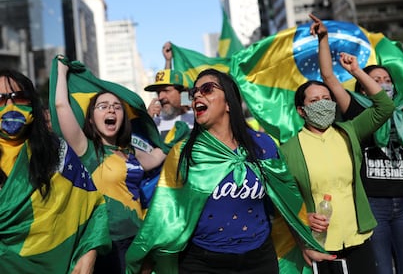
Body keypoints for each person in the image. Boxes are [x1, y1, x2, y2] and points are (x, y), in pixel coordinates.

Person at [125, 68, 335, 274]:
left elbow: (283, 202)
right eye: (194, 92)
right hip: (201, 263)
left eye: (207, 89)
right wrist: (147, 261)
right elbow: (165, 214)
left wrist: (304, 241)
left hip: (259, 260)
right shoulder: (183, 153)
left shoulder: (263, 146)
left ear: (228, 102)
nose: (197, 94)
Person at [280, 32, 395, 273]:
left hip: (359, 237)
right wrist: (303, 231)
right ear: (301, 111)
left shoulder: (349, 131)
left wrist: (357, 71)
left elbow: (385, 106)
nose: (323, 103)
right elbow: (286, 201)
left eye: (326, 98)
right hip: (321, 245)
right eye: (314, 101)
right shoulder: (289, 149)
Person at [311, 13, 403, 274]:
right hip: (372, 204)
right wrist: (324, 39)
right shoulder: (358, 109)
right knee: (381, 270)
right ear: (364, 88)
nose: (383, 84)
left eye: (387, 80)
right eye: (376, 81)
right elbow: (329, 77)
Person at [54, 58, 166, 274]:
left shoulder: (129, 152)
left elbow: (156, 157)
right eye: (103, 107)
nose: (111, 111)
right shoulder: (85, 149)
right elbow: (61, 106)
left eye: (117, 107)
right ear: (92, 118)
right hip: (105, 244)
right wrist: (61, 68)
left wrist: (172, 140)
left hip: (139, 238)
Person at [0, 69, 110, 273]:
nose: (10, 106)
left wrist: (89, 254)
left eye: (19, 97)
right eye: (0, 99)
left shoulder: (58, 153)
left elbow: (93, 206)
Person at [145, 42, 194, 140]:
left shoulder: (197, 119)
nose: (160, 97)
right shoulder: (154, 124)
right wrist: (146, 122)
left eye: (166, 91)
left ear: (182, 93)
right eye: (158, 92)